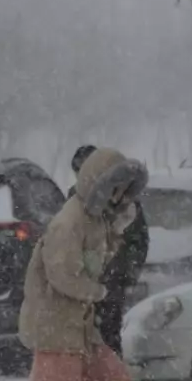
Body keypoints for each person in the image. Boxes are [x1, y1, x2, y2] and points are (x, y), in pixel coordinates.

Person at [0, 147, 147, 381]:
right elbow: (63, 275)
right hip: (55, 326)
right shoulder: (69, 222)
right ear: (100, 185)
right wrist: (100, 293)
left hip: (81, 325)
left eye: (126, 189)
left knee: (112, 380)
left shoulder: (99, 221)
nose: (121, 196)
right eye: (116, 188)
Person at [67, 145, 149, 356]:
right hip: (82, 282)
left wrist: (124, 272)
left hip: (111, 280)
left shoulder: (124, 200)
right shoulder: (73, 199)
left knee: (108, 334)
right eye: (78, 173)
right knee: (81, 335)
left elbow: (138, 240)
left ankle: (108, 379)